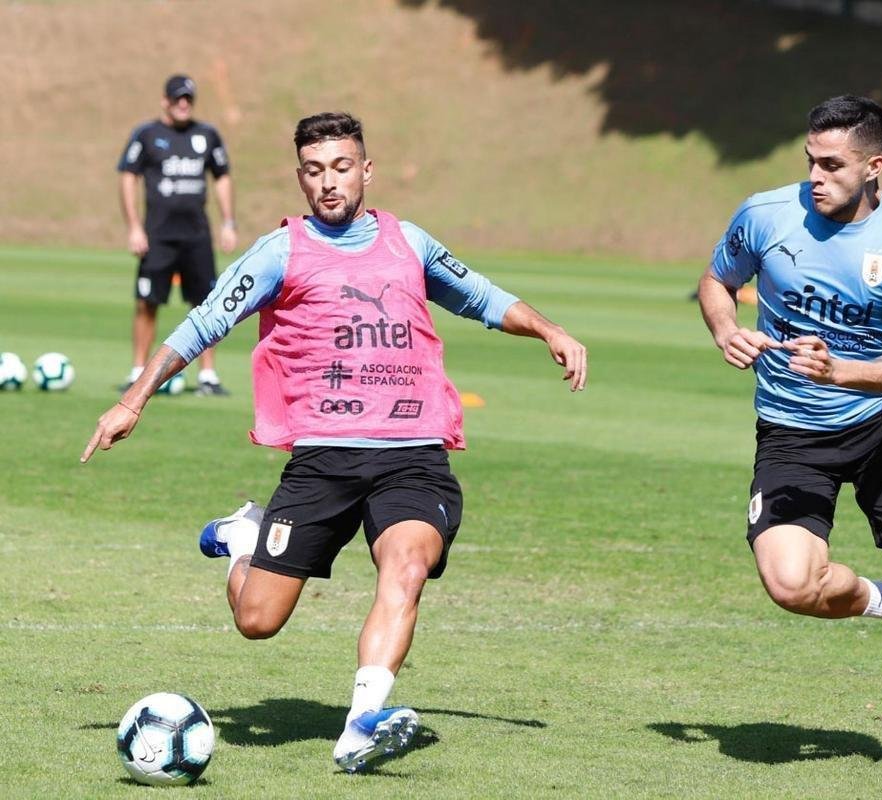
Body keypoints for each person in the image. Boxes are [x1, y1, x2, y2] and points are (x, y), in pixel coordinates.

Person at [84, 111, 587, 773]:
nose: (329, 183)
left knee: (405, 569)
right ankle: (244, 537)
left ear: (366, 170)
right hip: (322, 460)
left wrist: (551, 330)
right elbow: (206, 322)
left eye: (342, 167)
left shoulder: (409, 242)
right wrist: (133, 399)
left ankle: (359, 729)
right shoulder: (281, 250)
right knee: (257, 621)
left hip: (412, 453)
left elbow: (483, 297)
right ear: (301, 177)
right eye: (316, 171)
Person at [698, 96, 882, 780]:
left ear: (875, 166)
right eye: (810, 159)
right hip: (789, 436)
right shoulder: (765, 216)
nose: (816, 175)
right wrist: (724, 329)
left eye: (832, 164)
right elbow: (717, 282)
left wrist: (844, 371)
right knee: (789, 584)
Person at [117, 74, 237, 396]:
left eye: (188, 99)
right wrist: (133, 227)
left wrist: (228, 222)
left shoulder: (207, 135)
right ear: (165, 101)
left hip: (197, 235)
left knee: (207, 305)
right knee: (147, 301)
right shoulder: (147, 135)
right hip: (157, 236)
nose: (183, 104)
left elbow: (222, 177)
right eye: (177, 98)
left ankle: (208, 376)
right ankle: (138, 371)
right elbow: (128, 176)